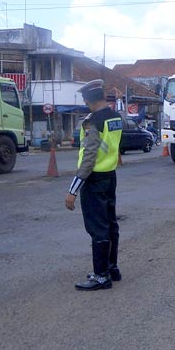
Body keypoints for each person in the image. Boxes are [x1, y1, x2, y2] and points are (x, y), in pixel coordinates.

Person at [65, 79, 124, 291]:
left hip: (95, 179)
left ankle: (101, 276)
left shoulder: (93, 122)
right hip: (110, 176)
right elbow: (115, 146)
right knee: (110, 224)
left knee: (98, 228)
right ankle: (111, 268)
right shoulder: (116, 117)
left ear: (88, 100)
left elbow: (88, 157)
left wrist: (72, 190)